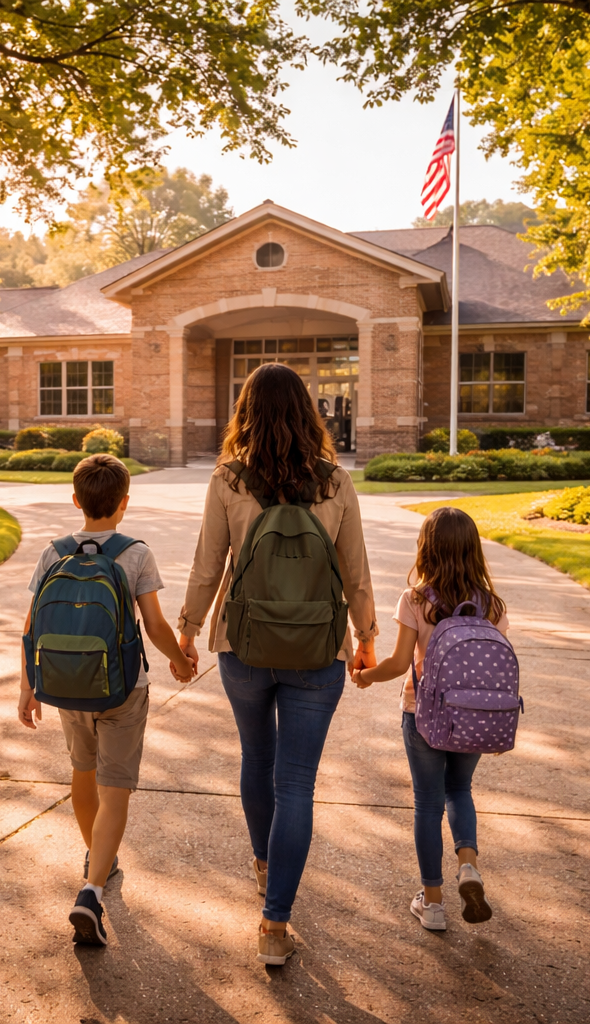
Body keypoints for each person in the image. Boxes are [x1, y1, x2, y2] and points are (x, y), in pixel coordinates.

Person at [176, 362, 378, 967]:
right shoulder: (335, 482)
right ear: (307, 412)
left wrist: (186, 633)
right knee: (296, 783)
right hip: (318, 648)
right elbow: (356, 571)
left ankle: (265, 864)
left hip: (244, 646)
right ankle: (274, 923)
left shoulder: (228, 481)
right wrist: (365, 637)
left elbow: (207, 567)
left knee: (256, 761)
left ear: (246, 412)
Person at [16, 453, 196, 946]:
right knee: (116, 786)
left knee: (83, 773)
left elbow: (33, 626)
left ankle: (100, 858)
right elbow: (155, 625)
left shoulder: (53, 552)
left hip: (66, 685)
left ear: (76, 500)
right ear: (123, 504)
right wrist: (179, 659)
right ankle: (92, 889)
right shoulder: (134, 552)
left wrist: (28, 686)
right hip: (123, 689)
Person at [352, 506, 509, 931]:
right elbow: (496, 671)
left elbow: (400, 662)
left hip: (423, 716)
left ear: (427, 549)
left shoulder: (417, 599)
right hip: (474, 718)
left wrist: (365, 676)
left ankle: (434, 904)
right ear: (474, 551)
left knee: (427, 803)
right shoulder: (491, 604)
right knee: (460, 790)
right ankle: (469, 866)